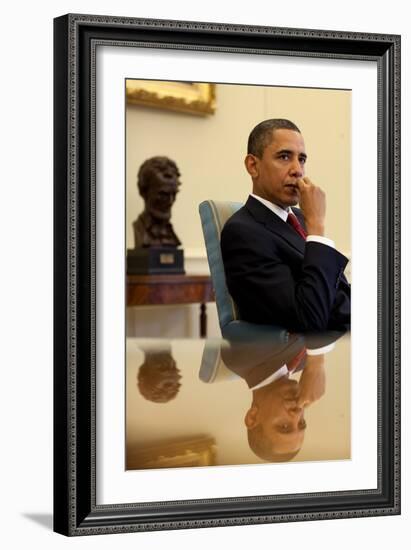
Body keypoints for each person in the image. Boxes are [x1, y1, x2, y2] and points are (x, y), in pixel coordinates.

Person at [221, 119, 350, 332]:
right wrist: (317, 227)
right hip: (307, 353)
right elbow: (308, 320)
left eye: (302, 159)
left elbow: (337, 294)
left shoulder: (300, 217)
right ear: (253, 166)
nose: (298, 170)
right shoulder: (244, 232)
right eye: (284, 157)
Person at [133, 156, 182, 248]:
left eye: (174, 194)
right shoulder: (140, 229)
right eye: (163, 194)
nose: (170, 201)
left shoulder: (170, 233)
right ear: (144, 191)